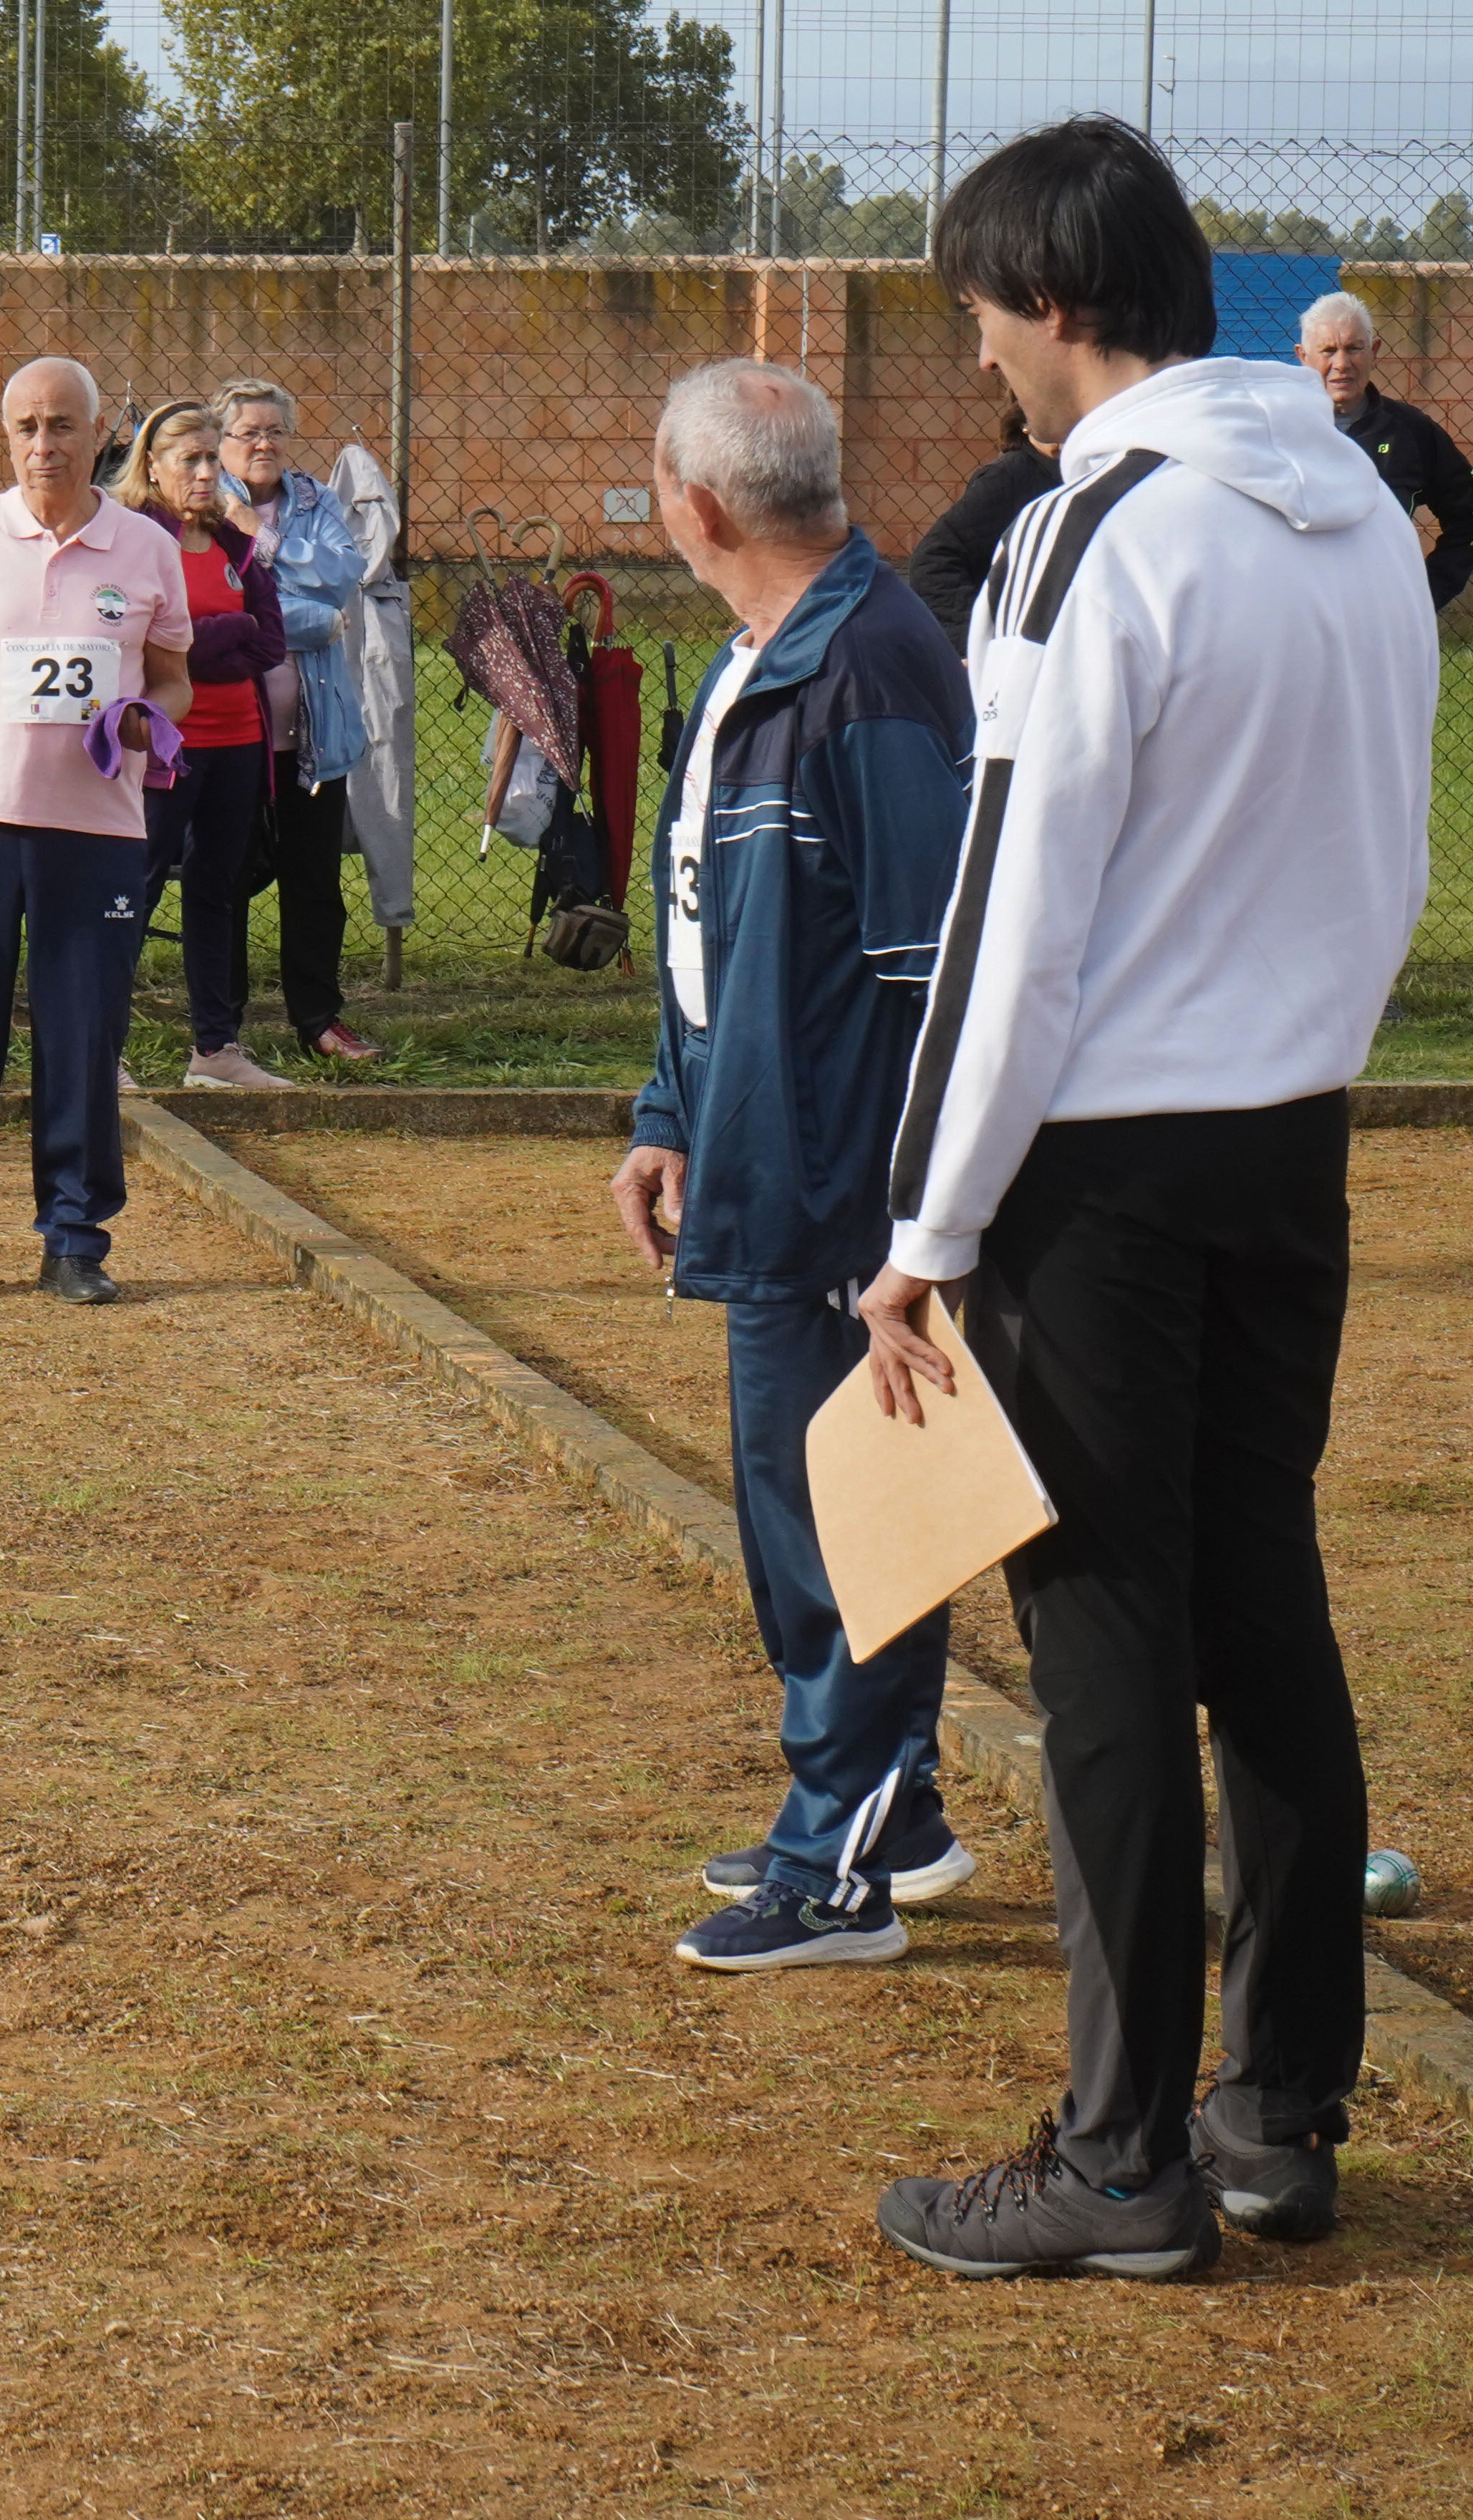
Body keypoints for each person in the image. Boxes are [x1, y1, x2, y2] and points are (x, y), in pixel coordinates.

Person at [860, 117, 1435, 2279]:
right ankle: (1276, 2109)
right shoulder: (1356, 520)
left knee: (1098, 1646)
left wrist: (922, 1226)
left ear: (1055, 306)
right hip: (1289, 1127)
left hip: (1095, 1171)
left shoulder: (1095, 534)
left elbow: (1013, 917)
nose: (982, 365)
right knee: (1261, 1607)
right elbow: (1386, 844)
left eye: (982, 320)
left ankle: (1115, 2163)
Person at [606, 359, 978, 1976]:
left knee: (849, 1521)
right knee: (790, 1511)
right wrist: (665, 1105)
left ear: (694, 507)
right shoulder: (759, 658)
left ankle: (834, 1863)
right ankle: (877, 1810)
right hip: (759, 1157)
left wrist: (909, 1223)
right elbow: (710, 925)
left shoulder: (869, 673)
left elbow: (930, 971)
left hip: (842, 1191)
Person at [0, 357, 199, 1304]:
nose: (43, 445)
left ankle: (75, 1238)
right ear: (5, 435)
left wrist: (148, 713)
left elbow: (174, 674)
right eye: (25, 426)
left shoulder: (145, 548)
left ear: (98, 435)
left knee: (83, 1035)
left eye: (62, 426)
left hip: (94, 832)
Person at [112, 401, 287, 1092]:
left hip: (239, 741)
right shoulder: (133, 541)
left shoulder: (235, 546)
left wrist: (201, 644)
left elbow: (268, 642)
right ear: (152, 467)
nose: (209, 472)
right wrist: (223, 636)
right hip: (163, 747)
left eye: (215, 458)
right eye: (191, 459)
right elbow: (147, 644)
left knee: (218, 892)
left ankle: (215, 1051)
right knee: (138, 887)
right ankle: (104, 1049)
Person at [215, 379, 387, 1062]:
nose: (263, 444)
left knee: (314, 886)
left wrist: (262, 538)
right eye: (247, 433)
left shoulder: (314, 501)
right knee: (224, 880)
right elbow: (225, 613)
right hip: (230, 736)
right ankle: (219, 1027)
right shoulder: (198, 507)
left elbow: (346, 575)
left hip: (314, 741)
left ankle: (319, 1019)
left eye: (275, 432)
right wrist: (310, 618)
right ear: (221, 443)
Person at [1297, 289, 1473, 613]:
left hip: (1382, 620)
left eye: (1354, 348)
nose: (1341, 364)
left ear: (1374, 352)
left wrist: (1423, 595)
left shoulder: (1413, 431)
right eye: (1328, 350)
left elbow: (1467, 514)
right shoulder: (1279, 433)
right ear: (1302, 357)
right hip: (1298, 621)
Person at [901, 399, 1058, 651]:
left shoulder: (1082, 473)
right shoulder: (1008, 477)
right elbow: (935, 559)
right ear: (1026, 423)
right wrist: (976, 644)